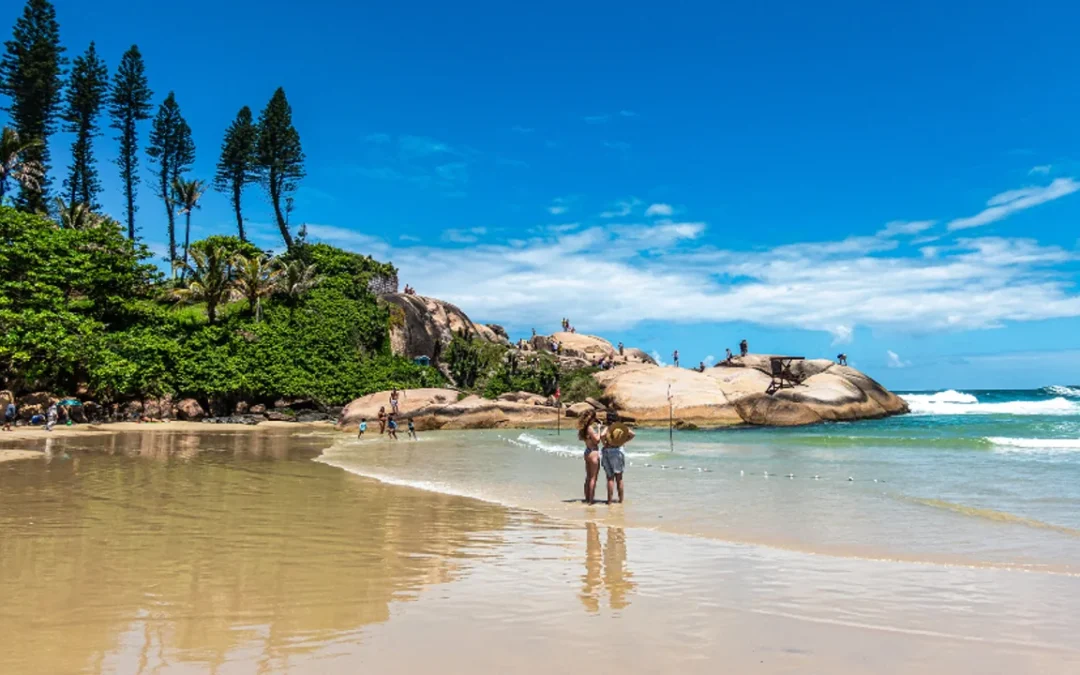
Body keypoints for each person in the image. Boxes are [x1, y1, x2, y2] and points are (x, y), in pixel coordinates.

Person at [600, 417, 635, 505]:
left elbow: (602, 435)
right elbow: (632, 434)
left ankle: (609, 501)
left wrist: (604, 444)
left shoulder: (608, 428)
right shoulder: (619, 428)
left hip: (607, 451)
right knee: (619, 478)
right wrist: (623, 441)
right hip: (617, 451)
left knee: (610, 478)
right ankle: (621, 500)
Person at [578, 409, 603, 504]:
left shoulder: (584, 429)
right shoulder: (590, 428)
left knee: (588, 477)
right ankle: (591, 500)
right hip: (593, 452)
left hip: (587, 451)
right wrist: (599, 429)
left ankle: (587, 498)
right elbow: (597, 440)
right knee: (593, 478)